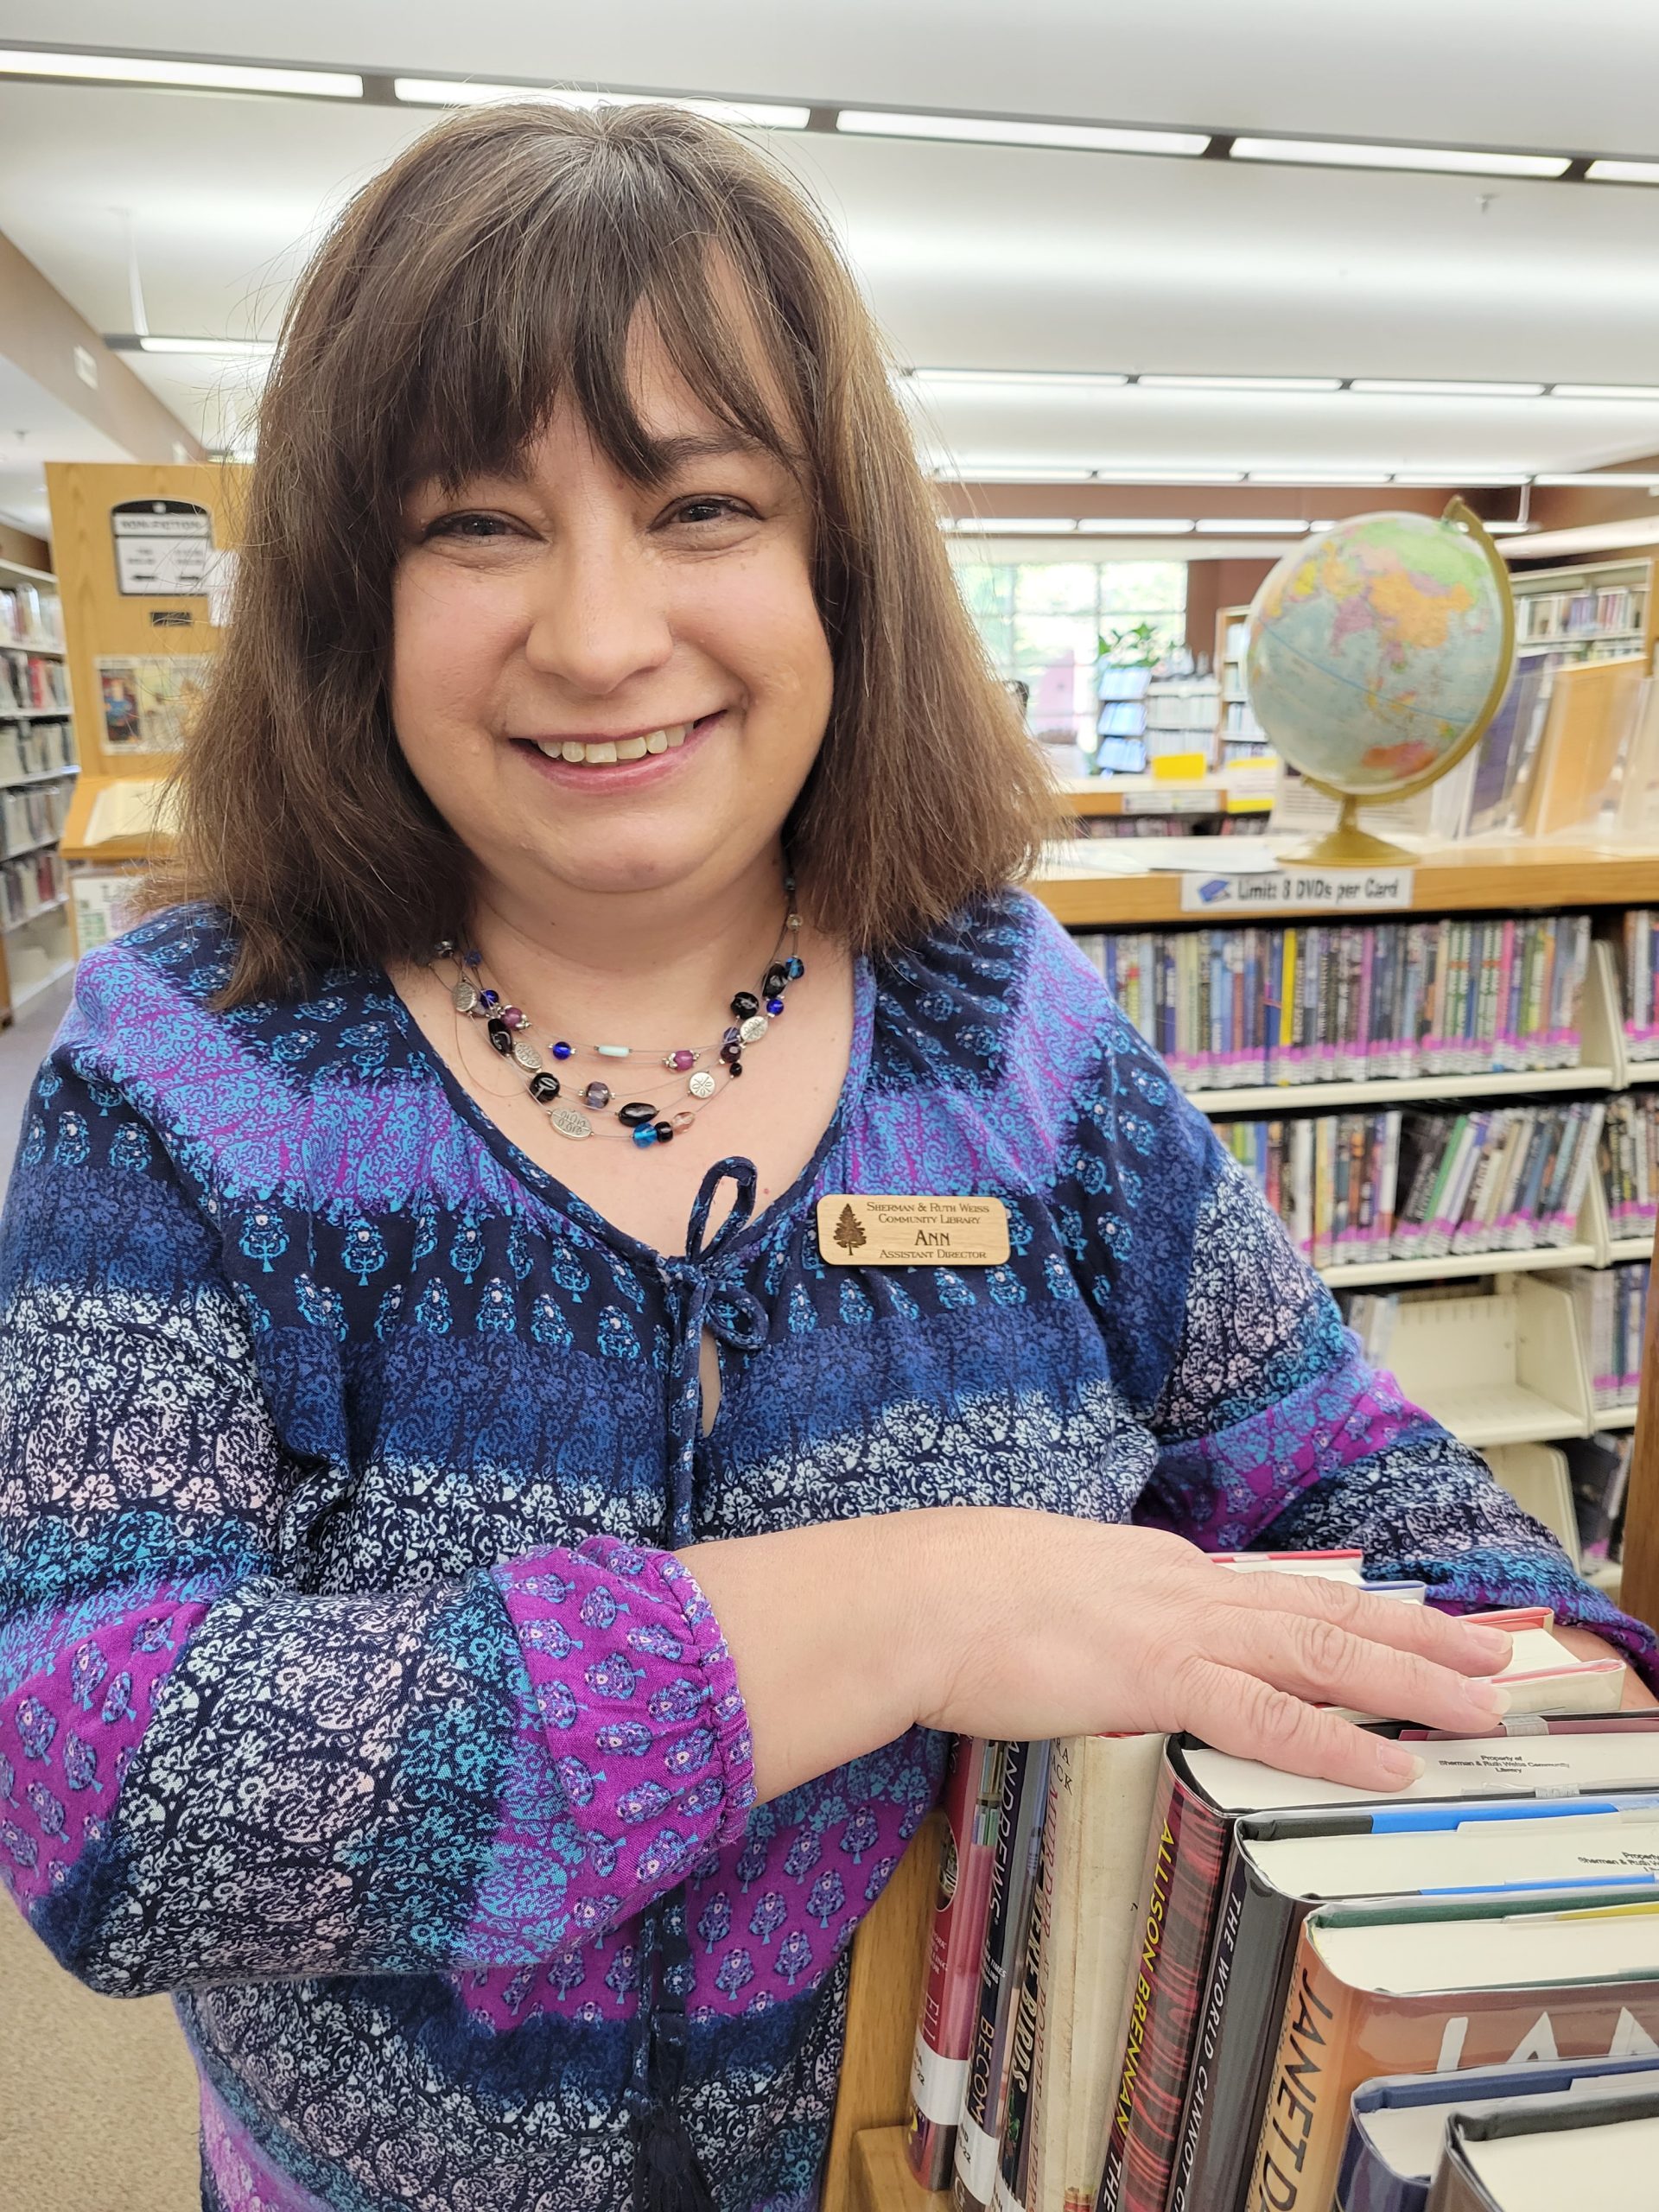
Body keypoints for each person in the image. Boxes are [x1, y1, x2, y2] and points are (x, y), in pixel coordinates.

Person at [0, 103, 1649, 2212]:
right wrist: (885, 1609)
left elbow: (1341, 1466)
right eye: (477, 524)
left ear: (837, 560)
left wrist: (1539, 1663)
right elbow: (107, 1792)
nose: (600, 635)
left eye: (701, 505)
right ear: (348, 585)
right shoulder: (189, 1068)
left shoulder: (1004, 1021)